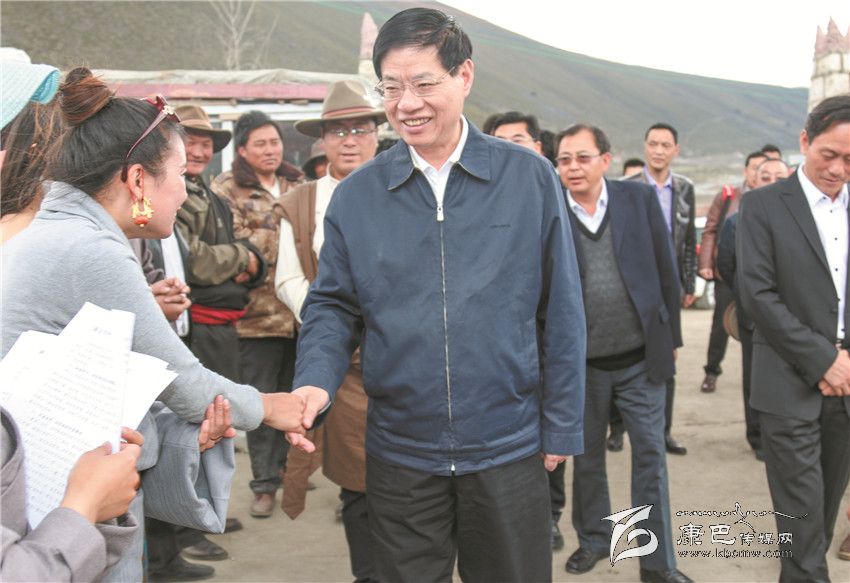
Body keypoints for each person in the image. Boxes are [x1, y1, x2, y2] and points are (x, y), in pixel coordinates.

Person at [287, 8, 586, 582]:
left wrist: (563, 423)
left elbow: (562, 310)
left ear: (464, 75)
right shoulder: (358, 196)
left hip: (508, 443)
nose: (407, 104)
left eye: (423, 84)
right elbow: (333, 306)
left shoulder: (528, 179)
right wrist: (315, 380)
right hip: (401, 451)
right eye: (391, 88)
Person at [0, 68, 310, 579]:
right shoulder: (89, 249)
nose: (186, 193)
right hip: (59, 518)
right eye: (180, 174)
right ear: (138, 179)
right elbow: (186, 386)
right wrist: (275, 407)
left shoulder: (57, 229)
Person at [557, 124, 691, 583]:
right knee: (588, 459)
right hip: (583, 366)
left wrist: (671, 338)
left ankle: (657, 564)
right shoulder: (551, 209)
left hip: (640, 360)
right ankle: (596, 540)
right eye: (564, 160)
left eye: (583, 157)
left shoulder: (637, 199)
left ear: (605, 159)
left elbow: (666, 269)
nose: (573, 167)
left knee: (650, 456)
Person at [276, 78, 386, 583]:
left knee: (415, 484)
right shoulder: (301, 202)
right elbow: (287, 280)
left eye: (360, 129)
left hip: (408, 358)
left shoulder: (403, 189)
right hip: (343, 368)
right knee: (357, 479)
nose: (349, 140)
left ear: (377, 135)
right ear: (321, 141)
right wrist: (338, 323)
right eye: (338, 131)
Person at [737, 94, 850, 582]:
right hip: (787, 386)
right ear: (805, 141)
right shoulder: (763, 205)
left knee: (819, 520)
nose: (838, 169)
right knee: (801, 526)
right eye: (830, 154)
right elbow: (758, 296)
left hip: (846, 388)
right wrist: (825, 360)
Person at [212, 110, 304, 518]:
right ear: (243, 150)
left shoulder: (298, 183)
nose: (270, 150)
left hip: (299, 316)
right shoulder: (225, 188)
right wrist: (285, 239)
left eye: (275, 142)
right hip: (256, 319)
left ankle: (288, 470)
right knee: (264, 404)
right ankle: (264, 485)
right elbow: (234, 247)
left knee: (297, 399)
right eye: (260, 144)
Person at [490, 108, 566, 551]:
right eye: (498, 142)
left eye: (517, 141)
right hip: (506, 355)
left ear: (538, 147)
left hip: (547, 345)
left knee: (553, 440)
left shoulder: (550, 197)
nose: (508, 151)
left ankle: (551, 516)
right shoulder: (479, 202)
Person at [614, 122, 695, 457]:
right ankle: (617, 429)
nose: (659, 151)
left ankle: (663, 432)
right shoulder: (625, 187)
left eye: (665, 145)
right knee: (623, 356)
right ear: (645, 146)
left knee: (667, 356)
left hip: (668, 285)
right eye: (653, 144)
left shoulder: (685, 188)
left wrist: (688, 283)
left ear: (676, 150)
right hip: (634, 284)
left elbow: (688, 241)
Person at [716, 157, 789, 461]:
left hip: (793, 316)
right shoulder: (736, 221)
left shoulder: (797, 220)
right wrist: (749, 296)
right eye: (765, 177)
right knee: (754, 378)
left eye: (779, 178)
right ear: (753, 181)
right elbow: (726, 265)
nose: (772, 183)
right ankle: (757, 436)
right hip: (753, 317)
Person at [697, 151, 768, 394]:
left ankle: (759, 376)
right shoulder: (729, 197)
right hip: (729, 274)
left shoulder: (776, 199)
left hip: (762, 277)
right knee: (721, 325)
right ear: (747, 171)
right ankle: (711, 371)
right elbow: (710, 230)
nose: (759, 173)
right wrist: (706, 263)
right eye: (755, 167)